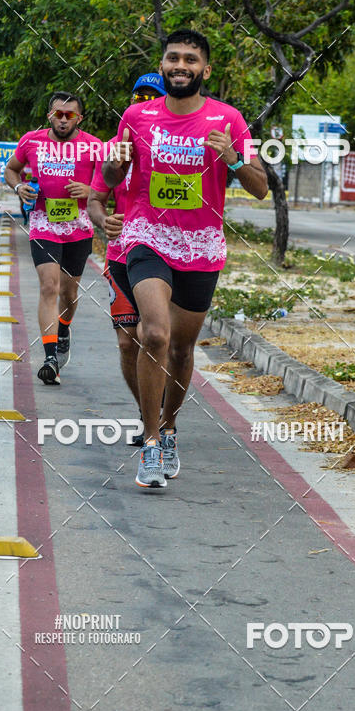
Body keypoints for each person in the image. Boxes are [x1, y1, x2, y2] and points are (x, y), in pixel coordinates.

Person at [102, 29, 267, 488]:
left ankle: (170, 427)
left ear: (205, 70)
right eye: (173, 58)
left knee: (180, 347)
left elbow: (260, 188)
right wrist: (115, 163)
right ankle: (151, 445)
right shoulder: (137, 116)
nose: (180, 66)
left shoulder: (228, 118)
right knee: (154, 332)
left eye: (190, 60)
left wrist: (233, 158)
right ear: (162, 66)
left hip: (200, 246)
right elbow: (114, 176)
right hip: (146, 235)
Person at [87, 73, 166, 445]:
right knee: (126, 342)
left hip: (166, 256)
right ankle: (147, 411)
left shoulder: (179, 147)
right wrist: (105, 222)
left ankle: (165, 417)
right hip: (121, 254)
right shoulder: (115, 148)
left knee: (158, 339)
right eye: (140, 96)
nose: (145, 102)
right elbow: (95, 200)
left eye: (154, 97)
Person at [4, 92, 101, 384]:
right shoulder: (31, 141)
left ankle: (63, 329)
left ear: (79, 118)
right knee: (49, 286)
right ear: (49, 115)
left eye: (69, 115)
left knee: (69, 294)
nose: (63, 119)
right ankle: (49, 356)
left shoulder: (94, 146)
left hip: (79, 227)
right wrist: (19, 187)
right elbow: (11, 169)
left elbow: (110, 182)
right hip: (43, 223)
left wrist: (90, 190)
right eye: (58, 114)